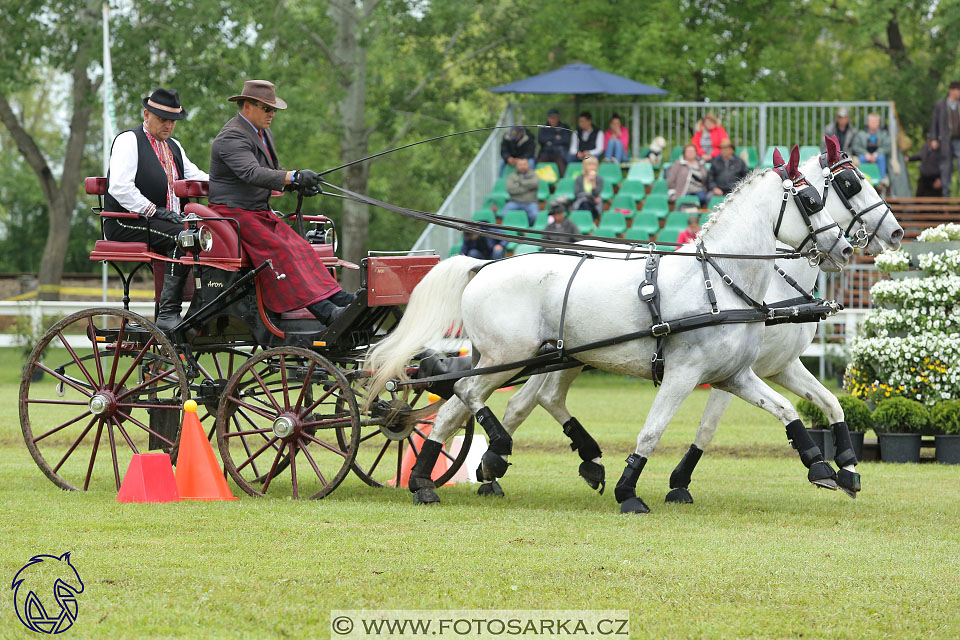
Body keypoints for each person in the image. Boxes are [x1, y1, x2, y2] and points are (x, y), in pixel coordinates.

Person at [207, 79, 352, 326]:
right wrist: (293, 176)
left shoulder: (262, 133)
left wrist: (297, 183)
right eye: (267, 109)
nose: (272, 114)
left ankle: (337, 297)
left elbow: (272, 171)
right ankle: (325, 310)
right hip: (233, 215)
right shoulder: (231, 137)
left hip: (257, 213)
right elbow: (252, 173)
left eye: (273, 109)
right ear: (247, 106)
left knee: (301, 247)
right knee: (282, 250)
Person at [104, 87, 209, 331]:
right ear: (146, 115)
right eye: (163, 119)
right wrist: (153, 210)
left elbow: (197, 178)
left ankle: (200, 305)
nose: (168, 125)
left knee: (204, 233)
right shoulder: (128, 141)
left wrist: (231, 186)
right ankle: (168, 312)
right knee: (183, 236)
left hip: (165, 221)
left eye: (173, 121)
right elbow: (119, 188)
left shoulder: (174, 146)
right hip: (125, 221)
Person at [929, 81, 960, 195]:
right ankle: (945, 196)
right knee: (946, 167)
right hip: (945, 140)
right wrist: (933, 138)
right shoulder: (941, 104)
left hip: (958, 140)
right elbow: (934, 122)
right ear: (951, 90)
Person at [852, 113, 891, 185]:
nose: (874, 123)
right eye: (872, 121)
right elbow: (856, 146)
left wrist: (877, 153)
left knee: (881, 158)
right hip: (864, 156)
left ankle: (883, 179)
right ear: (868, 122)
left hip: (878, 157)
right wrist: (865, 154)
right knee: (858, 160)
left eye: (875, 121)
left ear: (878, 123)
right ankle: (859, 178)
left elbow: (887, 147)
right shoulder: (861, 134)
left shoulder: (884, 134)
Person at [502, 157, 541, 225]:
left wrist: (519, 183)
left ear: (528, 165)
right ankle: (512, 229)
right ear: (517, 166)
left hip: (530, 202)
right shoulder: (512, 176)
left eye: (524, 164)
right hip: (514, 202)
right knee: (504, 214)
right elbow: (510, 189)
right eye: (520, 164)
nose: (523, 166)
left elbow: (535, 184)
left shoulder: (534, 174)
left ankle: (528, 229)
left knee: (535, 215)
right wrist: (527, 188)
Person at [537, 109, 572, 177]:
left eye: (555, 117)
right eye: (551, 118)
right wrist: (555, 137)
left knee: (561, 164)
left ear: (558, 118)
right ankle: (538, 182)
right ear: (548, 118)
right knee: (539, 164)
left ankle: (562, 182)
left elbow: (566, 140)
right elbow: (541, 139)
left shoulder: (564, 127)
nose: (553, 119)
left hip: (560, 153)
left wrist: (549, 141)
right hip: (546, 152)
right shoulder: (543, 128)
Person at [572, 156, 604, 222]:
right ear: (585, 166)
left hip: (594, 204)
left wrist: (593, 182)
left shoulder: (599, 179)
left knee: (587, 204)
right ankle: (588, 223)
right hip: (581, 202)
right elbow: (577, 193)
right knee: (585, 203)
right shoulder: (579, 178)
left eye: (594, 165)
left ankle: (584, 222)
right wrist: (588, 196)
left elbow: (596, 194)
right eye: (589, 165)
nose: (592, 167)